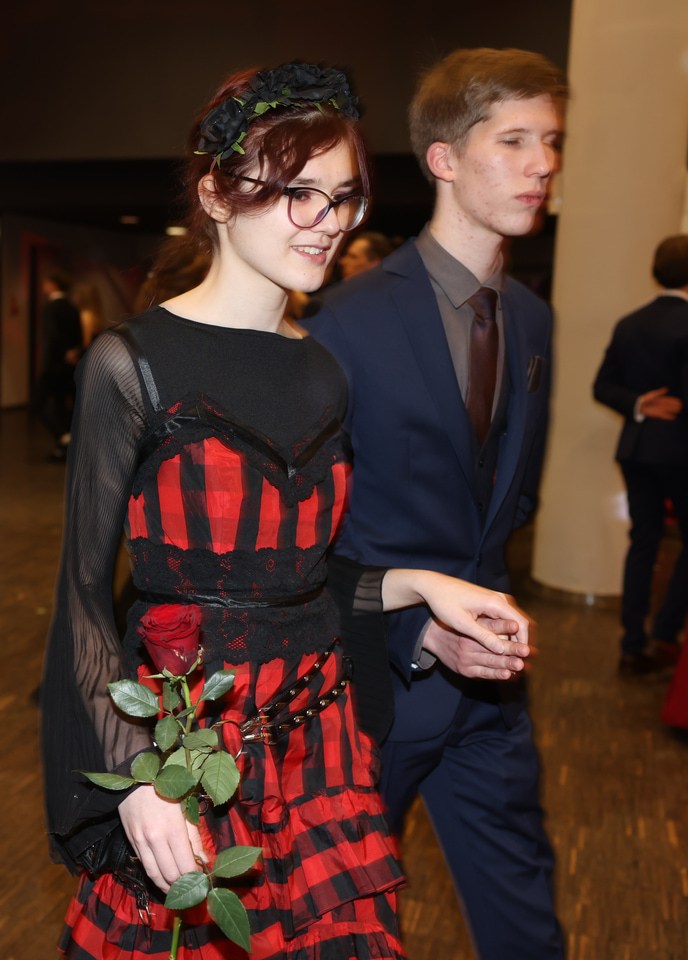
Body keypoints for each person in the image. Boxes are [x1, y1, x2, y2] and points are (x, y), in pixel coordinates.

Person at [40, 61, 533, 960]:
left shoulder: (321, 368)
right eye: (295, 193)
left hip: (319, 742)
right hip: (187, 746)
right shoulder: (131, 362)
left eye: (342, 197)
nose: (327, 221)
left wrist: (418, 592)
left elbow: (297, 583)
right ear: (216, 195)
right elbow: (82, 598)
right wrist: (135, 778)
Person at [305, 47, 569, 960]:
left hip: (492, 697)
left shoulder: (531, 317)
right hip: (368, 693)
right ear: (444, 159)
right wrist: (421, 627)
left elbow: (511, 494)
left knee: (526, 921)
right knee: (336, 928)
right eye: (515, 140)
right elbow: (301, 549)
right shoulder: (342, 323)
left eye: (552, 141)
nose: (543, 163)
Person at [593, 234, 688, 676]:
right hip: (680, 450)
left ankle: (632, 644)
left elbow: (602, 387)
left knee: (643, 543)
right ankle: (665, 635)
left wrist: (636, 404)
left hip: (635, 449)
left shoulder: (630, 323)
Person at [32, 270, 84, 462]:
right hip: (70, 365)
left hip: (53, 364)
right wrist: (73, 352)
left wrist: (59, 354)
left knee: (38, 402)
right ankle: (64, 446)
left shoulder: (50, 307)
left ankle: (63, 438)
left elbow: (52, 336)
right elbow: (78, 335)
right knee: (63, 404)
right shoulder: (72, 306)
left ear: (53, 284)